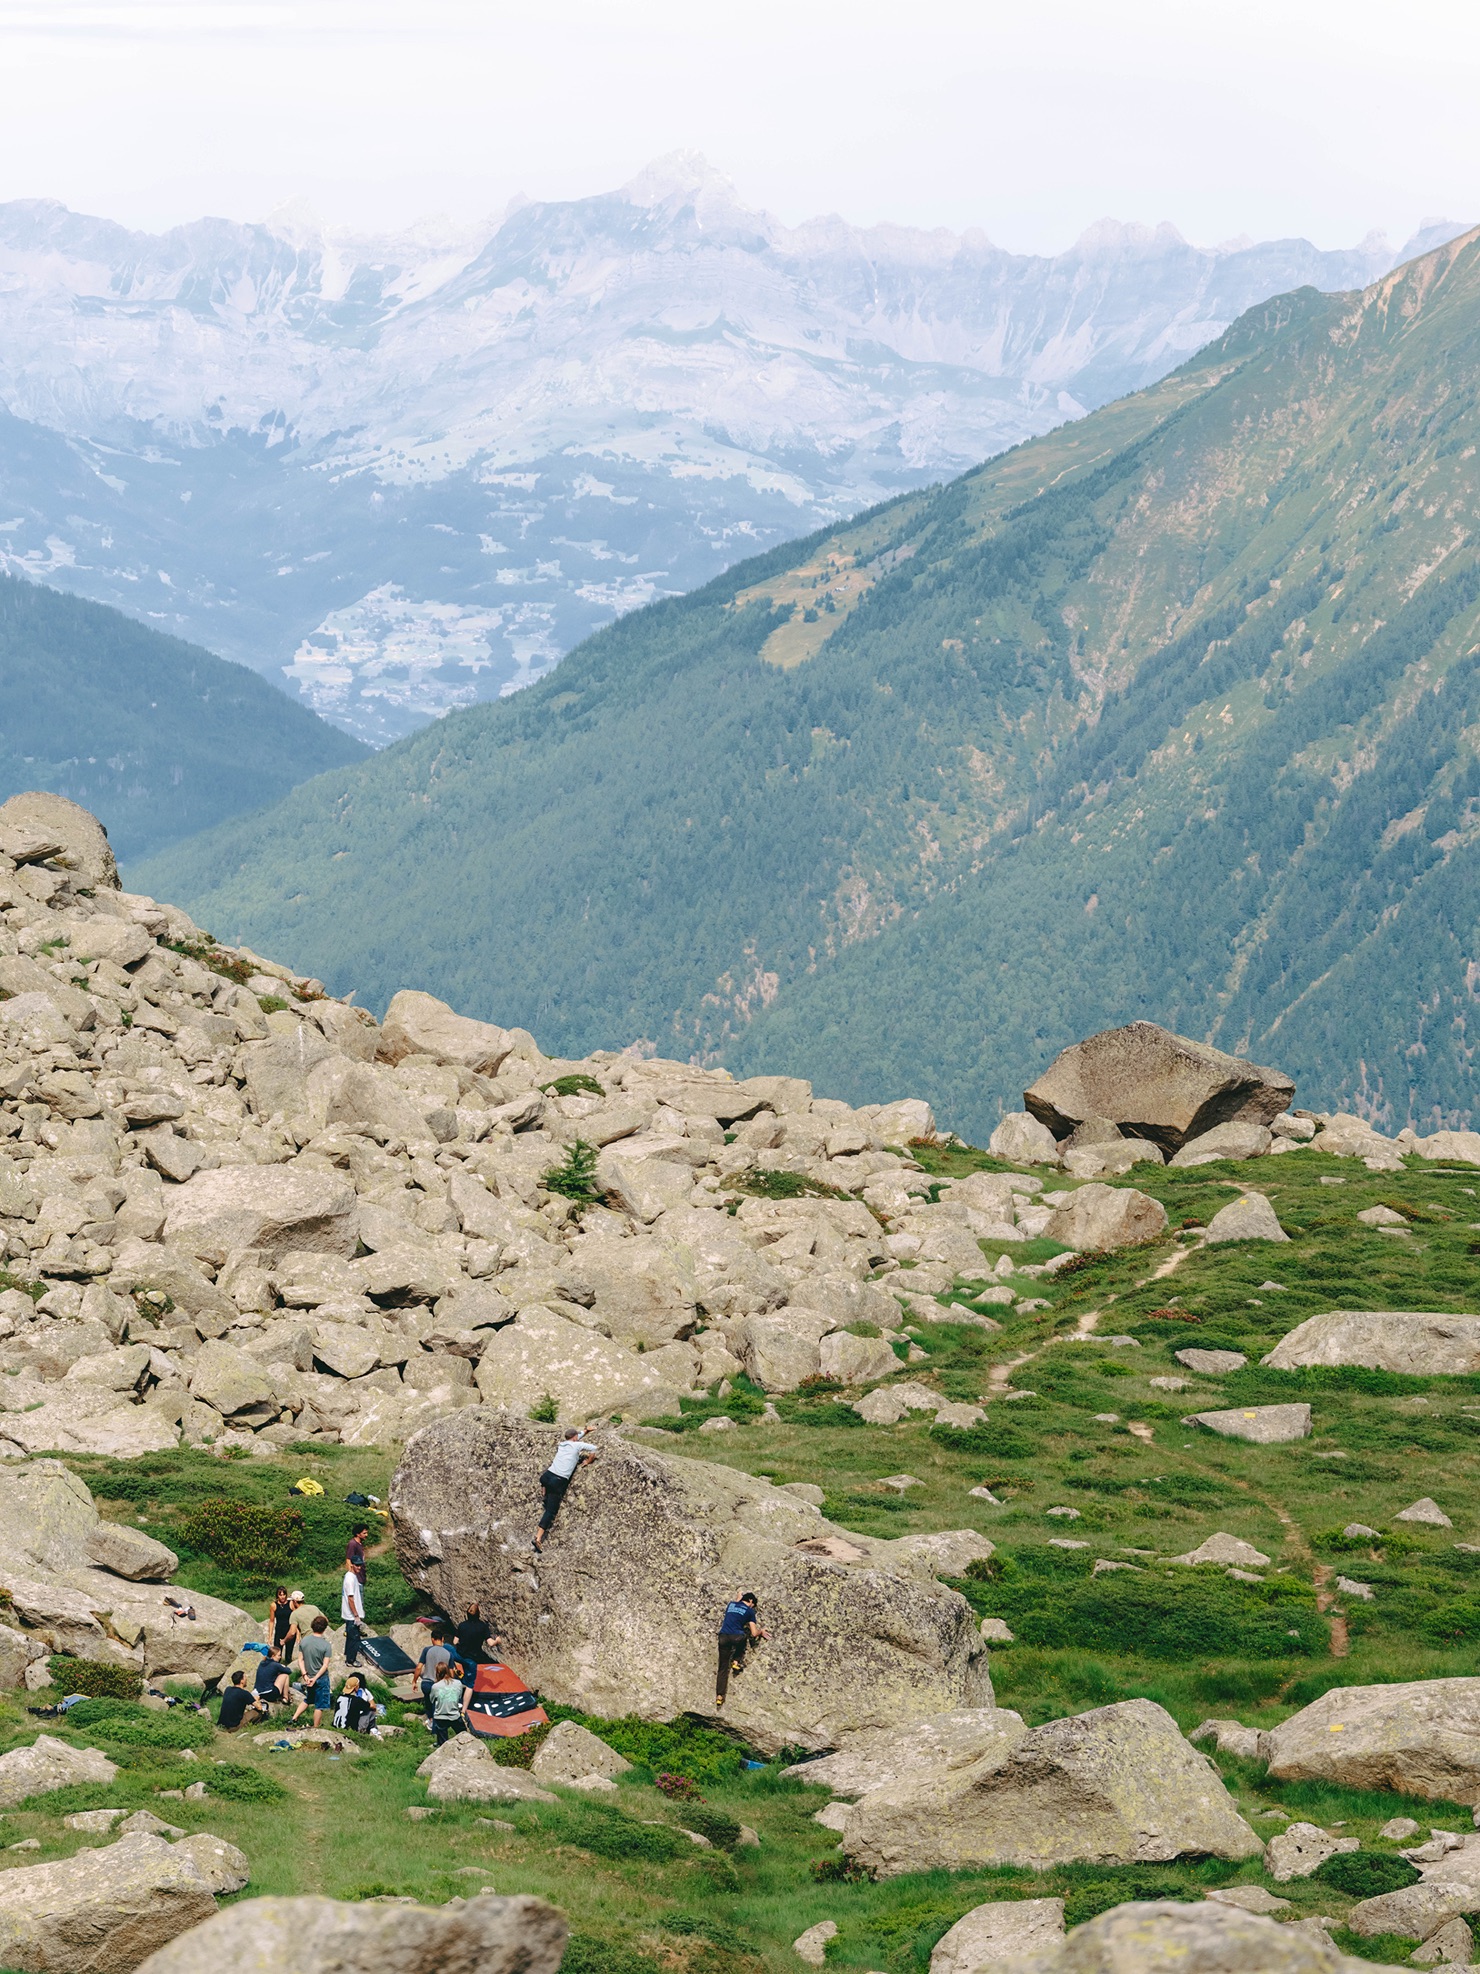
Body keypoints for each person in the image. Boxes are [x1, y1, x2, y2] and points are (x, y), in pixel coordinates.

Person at [532, 1428, 597, 1552]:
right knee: (551, 1511)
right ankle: (538, 1538)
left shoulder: (562, 1444)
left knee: (546, 1484)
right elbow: (594, 1448)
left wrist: (585, 1431)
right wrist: (588, 1461)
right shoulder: (577, 1445)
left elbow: (576, 1437)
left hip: (546, 1477)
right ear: (574, 1438)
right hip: (558, 1481)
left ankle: (544, 1494)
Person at [715, 1592, 766, 1708]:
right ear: (751, 1602)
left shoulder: (731, 1604)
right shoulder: (749, 1611)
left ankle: (719, 1696)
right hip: (736, 1637)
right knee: (743, 1638)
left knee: (722, 1668)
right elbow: (753, 1633)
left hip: (723, 1637)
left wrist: (739, 1599)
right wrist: (761, 1632)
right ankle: (736, 1661)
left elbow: (737, 1605)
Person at [291, 1614, 334, 1728]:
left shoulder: (304, 1641)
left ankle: (294, 1717)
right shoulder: (326, 1645)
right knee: (319, 1705)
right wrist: (315, 1678)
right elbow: (325, 1665)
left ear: (312, 1626)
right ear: (324, 1629)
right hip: (321, 1678)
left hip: (308, 1676)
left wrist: (305, 1675)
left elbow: (300, 1660)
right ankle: (315, 1727)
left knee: (308, 1699)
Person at [418, 1623, 454, 1721]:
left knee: (429, 1702)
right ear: (442, 1639)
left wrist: (414, 1681)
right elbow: (451, 1673)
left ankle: (430, 1719)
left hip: (427, 1683)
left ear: (432, 1639)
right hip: (441, 1684)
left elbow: (419, 1667)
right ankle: (436, 1723)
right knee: (438, 1705)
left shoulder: (427, 1650)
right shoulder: (449, 1654)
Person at [453, 1602, 499, 1673]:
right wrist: (497, 1641)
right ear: (478, 1614)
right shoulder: (483, 1626)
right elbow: (491, 1643)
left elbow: (455, 1642)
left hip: (461, 1654)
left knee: (447, 1647)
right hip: (475, 1656)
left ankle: (454, 1670)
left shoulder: (462, 1625)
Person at [429, 1663, 465, 1746]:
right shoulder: (458, 1683)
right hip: (455, 1714)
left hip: (440, 1715)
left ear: (437, 1673)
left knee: (443, 1743)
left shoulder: (435, 1686)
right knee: (463, 1734)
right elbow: (459, 1696)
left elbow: (432, 1700)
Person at [250, 1650, 291, 1719]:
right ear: (273, 1656)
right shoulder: (275, 1665)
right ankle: (285, 1698)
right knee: (285, 1675)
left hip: (259, 1693)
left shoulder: (262, 1663)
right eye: (279, 1655)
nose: (280, 1657)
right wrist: (282, 1666)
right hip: (270, 1694)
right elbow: (289, 1671)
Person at [341, 1559, 366, 1667]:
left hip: (351, 1614)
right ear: (352, 1565)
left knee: (350, 1637)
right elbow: (350, 1598)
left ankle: (348, 1655)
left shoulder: (352, 1576)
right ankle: (351, 1660)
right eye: (357, 1565)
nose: (359, 1567)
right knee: (354, 1638)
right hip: (351, 1615)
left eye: (360, 1565)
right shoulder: (350, 1579)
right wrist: (356, 1615)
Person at [268, 1587, 297, 1663]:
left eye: (284, 1594)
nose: (282, 1597)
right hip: (279, 1631)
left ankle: (288, 1670)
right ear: (277, 1595)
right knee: (277, 1654)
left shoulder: (291, 1603)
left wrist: (298, 1634)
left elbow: (296, 1619)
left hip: (290, 1631)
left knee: (288, 1655)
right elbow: (271, 1621)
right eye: (280, 1595)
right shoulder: (274, 1605)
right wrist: (270, 1636)